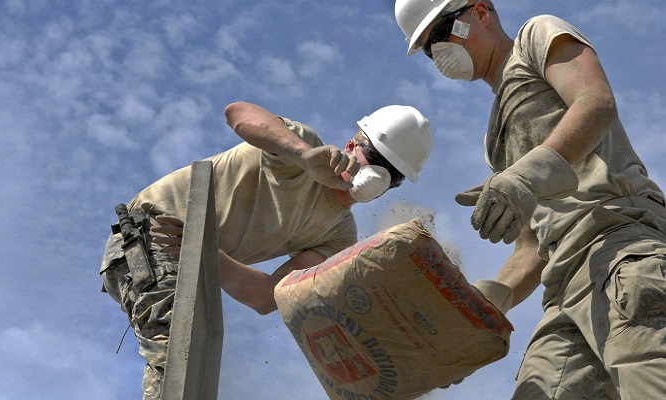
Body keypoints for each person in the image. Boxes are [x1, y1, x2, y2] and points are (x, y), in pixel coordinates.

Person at [395, 1, 666, 399]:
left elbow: (595, 103)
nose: (437, 53)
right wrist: (482, 309)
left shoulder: (535, 37)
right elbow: (532, 246)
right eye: (427, 48)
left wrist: (525, 175)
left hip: (618, 246)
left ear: (481, 12)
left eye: (440, 34)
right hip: (563, 287)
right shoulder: (494, 139)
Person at [99, 100, 433, 399]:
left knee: (194, 365)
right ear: (351, 144)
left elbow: (265, 297)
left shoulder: (338, 236)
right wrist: (300, 154)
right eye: (374, 159)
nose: (377, 175)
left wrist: (207, 251)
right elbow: (236, 113)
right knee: (177, 350)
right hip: (150, 236)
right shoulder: (301, 151)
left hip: (192, 263)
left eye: (391, 175)